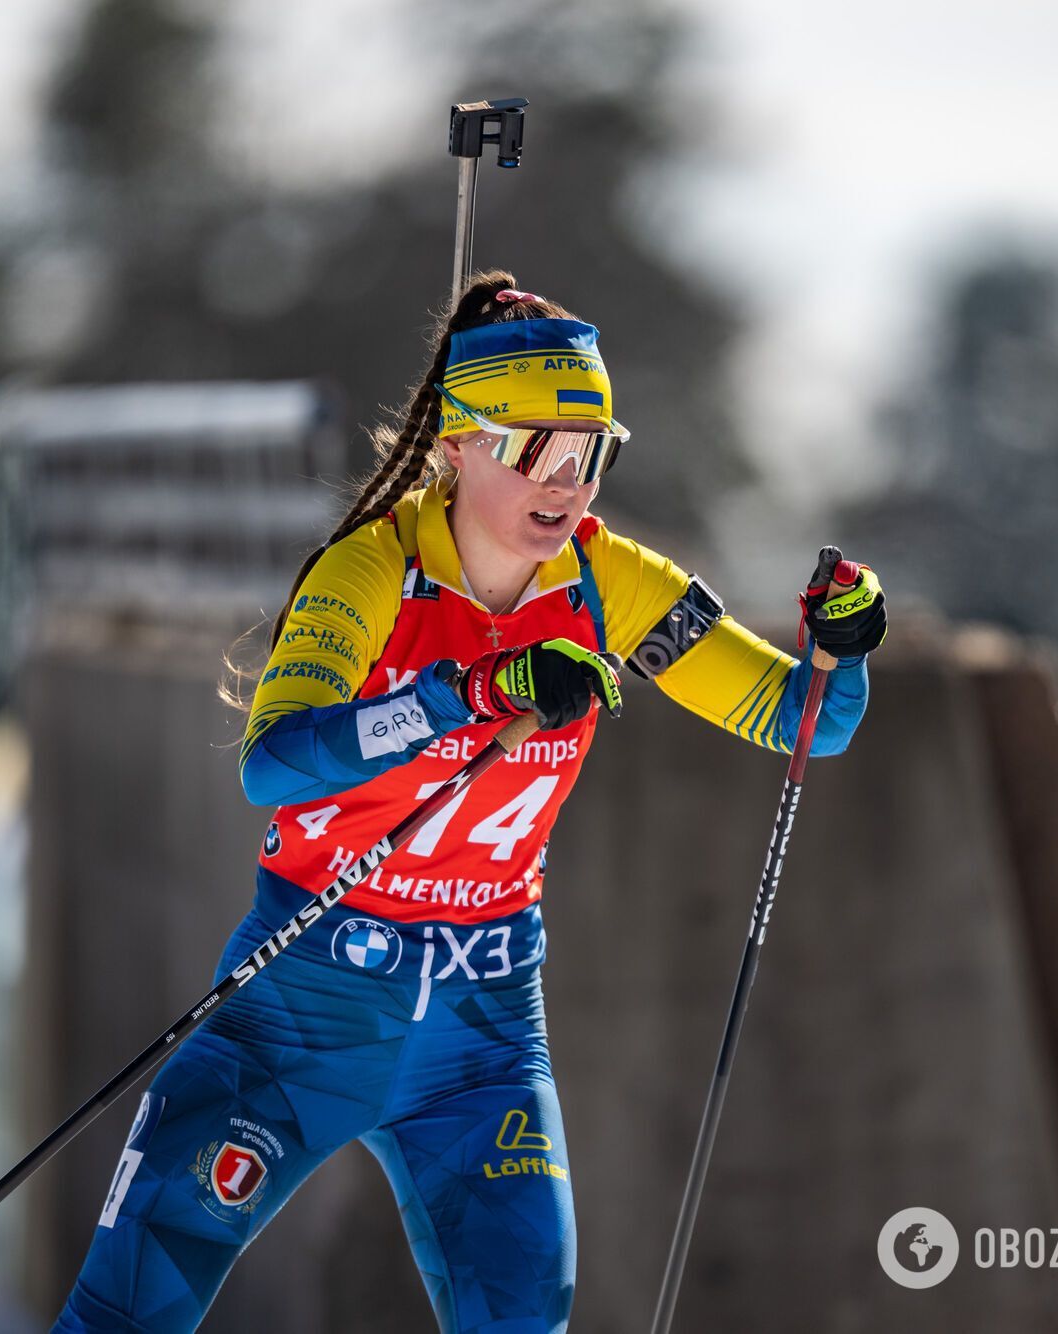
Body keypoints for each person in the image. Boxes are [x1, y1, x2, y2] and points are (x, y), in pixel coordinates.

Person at [55, 273, 888, 1333]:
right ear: (456, 445)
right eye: (532, 449)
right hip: (304, 1007)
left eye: (587, 454)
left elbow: (800, 718)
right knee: (127, 1315)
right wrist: (470, 694)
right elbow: (272, 765)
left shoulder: (604, 580)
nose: (564, 484)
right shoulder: (370, 571)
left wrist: (843, 645)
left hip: (480, 1031)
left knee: (520, 1316)